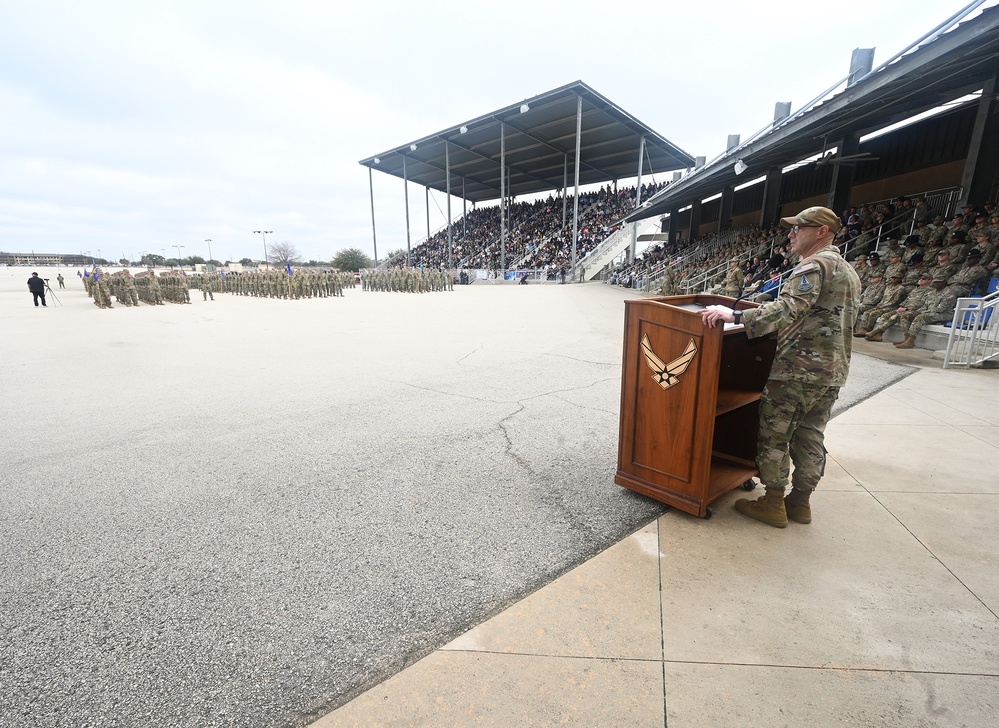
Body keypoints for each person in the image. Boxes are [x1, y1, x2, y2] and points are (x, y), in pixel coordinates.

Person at [700, 206, 861, 528]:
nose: (791, 234)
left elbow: (790, 309)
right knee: (811, 436)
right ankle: (800, 503)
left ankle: (773, 503)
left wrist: (736, 316)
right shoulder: (847, 269)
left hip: (797, 372)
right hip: (830, 373)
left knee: (775, 437)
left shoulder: (814, 265)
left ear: (822, 232)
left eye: (799, 227)